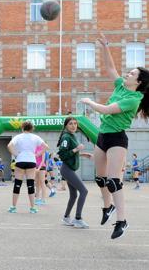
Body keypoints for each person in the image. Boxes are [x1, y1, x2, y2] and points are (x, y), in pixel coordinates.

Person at [80, 33, 149, 239]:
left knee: (113, 181)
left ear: (138, 82)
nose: (127, 74)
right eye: (128, 72)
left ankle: (121, 221)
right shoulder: (120, 85)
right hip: (103, 136)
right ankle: (107, 207)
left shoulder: (134, 98)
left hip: (117, 139)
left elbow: (108, 109)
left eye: (132, 73)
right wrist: (105, 46)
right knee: (100, 179)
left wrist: (89, 102)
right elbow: (111, 68)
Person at [57, 117, 92, 229]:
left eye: (75, 124)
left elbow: (69, 154)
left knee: (73, 195)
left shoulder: (72, 136)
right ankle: (78, 219)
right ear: (66, 125)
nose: (73, 125)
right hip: (66, 169)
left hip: (69, 169)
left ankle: (66, 217)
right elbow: (62, 155)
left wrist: (82, 154)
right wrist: (77, 149)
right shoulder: (66, 137)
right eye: (71, 123)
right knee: (84, 191)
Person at [7, 121, 48, 213]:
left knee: (17, 184)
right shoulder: (35, 137)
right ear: (31, 128)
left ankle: (13, 207)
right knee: (30, 184)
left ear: (22, 128)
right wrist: (38, 154)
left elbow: (9, 145)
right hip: (31, 161)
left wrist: (16, 154)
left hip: (20, 161)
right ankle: (32, 208)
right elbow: (46, 146)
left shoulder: (18, 137)